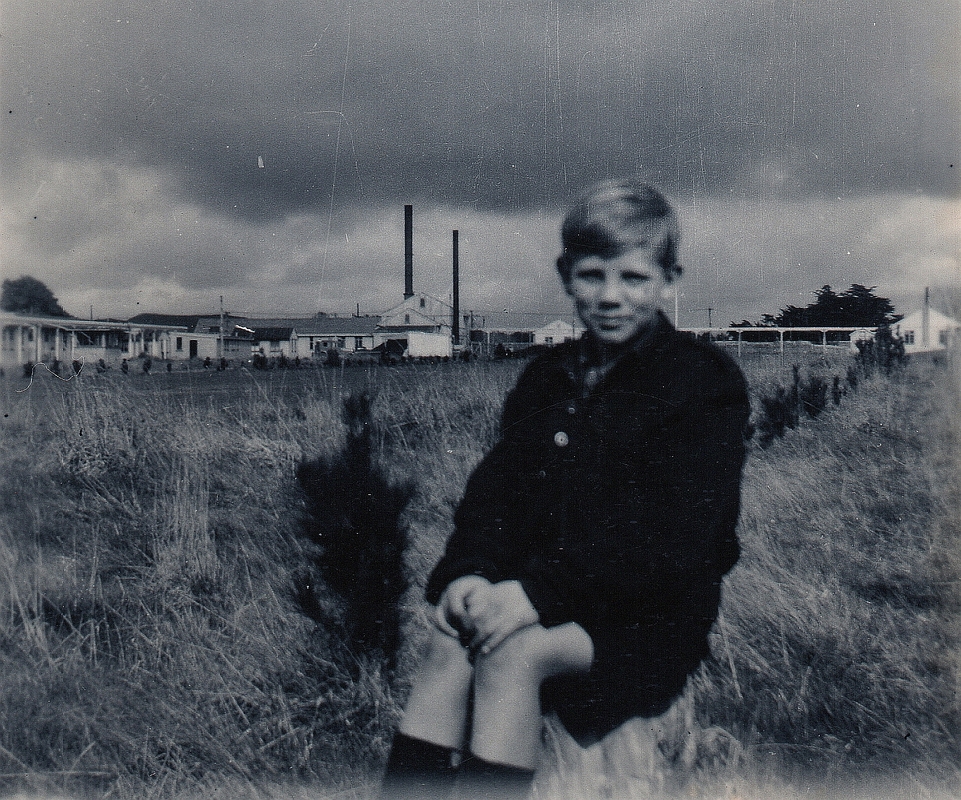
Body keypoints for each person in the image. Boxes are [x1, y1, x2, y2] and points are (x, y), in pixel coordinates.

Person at [380, 180, 750, 799]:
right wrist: (467, 573)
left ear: (669, 280)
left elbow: (679, 539)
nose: (610, 297)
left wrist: (535, 596)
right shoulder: (546, 377)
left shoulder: (701, 382)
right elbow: (495, 495)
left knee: (511, 657)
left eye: (633, 278)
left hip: (649, 614)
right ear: (565, 276)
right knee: (448, 640)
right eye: (591, 275)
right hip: (548, 590)